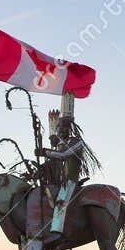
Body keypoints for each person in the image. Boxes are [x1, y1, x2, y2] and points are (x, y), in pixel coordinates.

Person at [36, 97, 96, 235]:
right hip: (59, 180)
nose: (60, 130)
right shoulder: (61, 144)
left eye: (63, 128)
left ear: (69, 128)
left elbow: (63, 155)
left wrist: (45, 151)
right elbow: (55, 160)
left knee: (61, 201)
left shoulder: (76, 142)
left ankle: (57, 229)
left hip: (70, 179)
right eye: (58, 128)